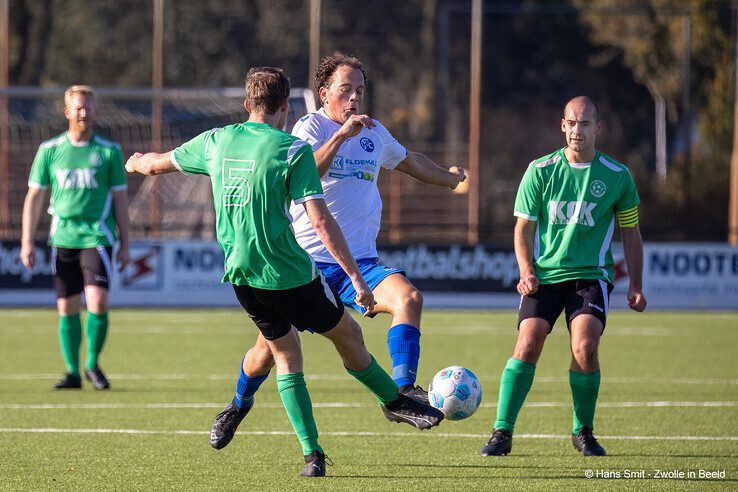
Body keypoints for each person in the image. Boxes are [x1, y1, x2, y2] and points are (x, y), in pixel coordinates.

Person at [125, 67, 443, 478]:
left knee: (280, 354)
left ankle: (295, 444)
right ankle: (395, 400)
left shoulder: (215, 141)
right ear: (283, 107)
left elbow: (156, 164)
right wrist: (358, 280)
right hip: (292, 272)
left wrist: (135, 163)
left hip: (241, 276)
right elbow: (321, 221)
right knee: (348, 336)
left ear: (247, 104)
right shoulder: (292, 150)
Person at [221, 53, 467, 418]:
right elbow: (305, 172)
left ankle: (401, 393)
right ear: (324, 93)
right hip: (306, 265)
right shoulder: (309, 129)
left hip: (360, 263)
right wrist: (339, 136)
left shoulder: (374, 131)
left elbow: (410, 160)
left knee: (409, 298)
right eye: (345, 90)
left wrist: (449, 179)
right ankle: (239, 404)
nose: (354, 98)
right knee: (264, 355)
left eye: (360, 91)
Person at [480, 96, 647, 458]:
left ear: (597, 128)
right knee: (529, 341)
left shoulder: (617, 177)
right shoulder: (540, 170)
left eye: (585, 123)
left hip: (591, 276)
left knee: (585, 347)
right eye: (571, 123)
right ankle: (501, 432)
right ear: (562, 125)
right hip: (544, 276)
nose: (577, 130)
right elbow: (522, 229)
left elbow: (630, 232)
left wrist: (636, 284)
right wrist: (525, 272)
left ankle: (582, 431)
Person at [21, 85, 130, 390]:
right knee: (66, 307)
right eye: (79, 108)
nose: (85, 113)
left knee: (97, 301)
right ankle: (71, 372)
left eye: (89, 107)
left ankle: (92, 364)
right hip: (63, 238)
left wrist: (126, 244)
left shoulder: (109, 152)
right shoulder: (50, 150)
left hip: (97, 236)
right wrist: (27, 241)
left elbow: (121, 201)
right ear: (67, 112)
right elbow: (34, 197)